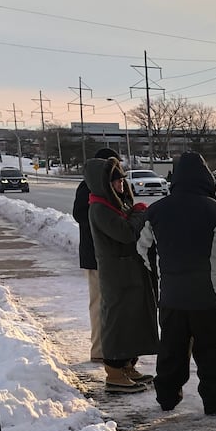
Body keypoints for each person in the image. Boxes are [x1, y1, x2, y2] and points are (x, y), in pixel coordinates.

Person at [137, 151, 216, 416]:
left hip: (172, 297)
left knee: (171, 349)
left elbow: (142, 249)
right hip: (210, 298)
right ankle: (215, 401)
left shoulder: (157, 210)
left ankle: (166, 397)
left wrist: (157, 274)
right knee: (213, 352)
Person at [85, 154, 158, 393]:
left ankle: (127, 364)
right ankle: (114, 370)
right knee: (118, 320)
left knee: (132, 318)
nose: (122, 185)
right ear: (105, 183)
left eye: (123, 181)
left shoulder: (118, 204)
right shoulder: (99, 208)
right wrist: (138, 213)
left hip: (130, 271)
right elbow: (126, 232)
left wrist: (134, 210)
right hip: (117, 274)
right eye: (117, 182)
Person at [72, 147, 123, 366]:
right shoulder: (88, 188)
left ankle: (110, 347)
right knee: (100, 303)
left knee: (111, 304)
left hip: (108, 255)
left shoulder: (109, 187)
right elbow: (80, 215)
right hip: (95, 256)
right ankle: (100, 349)